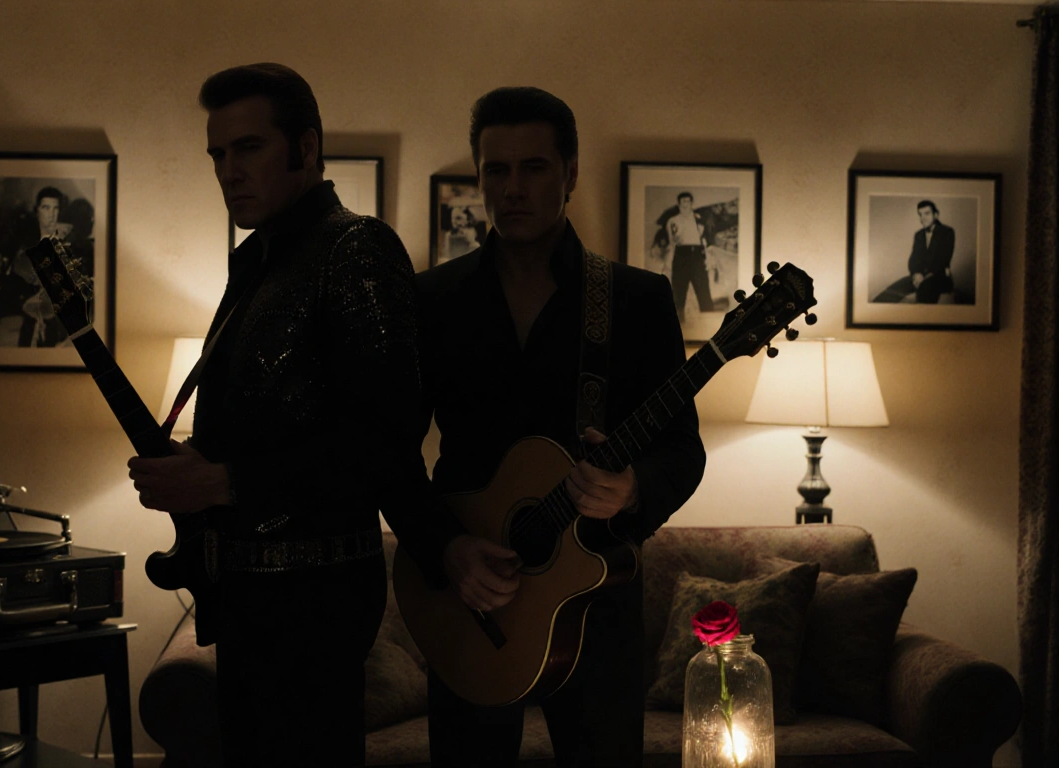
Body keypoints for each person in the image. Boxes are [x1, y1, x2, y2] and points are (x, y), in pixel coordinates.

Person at [123, 63, 426, 767]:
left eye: (249, 148)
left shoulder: (356, 247)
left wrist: (223, 483)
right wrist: (196, 469)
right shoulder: (254, 260)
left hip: (317, 599)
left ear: (308, 148)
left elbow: (385, 440)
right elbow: (261, 420)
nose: (229, 171)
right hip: (250, 594)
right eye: (218, 155)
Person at [407, 86, 707, 767]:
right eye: (496, 170)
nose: (512, 187)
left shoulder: (634, 300)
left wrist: (633, 488)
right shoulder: (432, 301)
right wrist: (447, 548)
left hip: (595, 601)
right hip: (468, 603)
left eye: (534, 168)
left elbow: (683, 449)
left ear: (570, 174)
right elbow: (391, 454)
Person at [0, 185, 71, 347]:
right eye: (46, 208)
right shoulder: (25, 245)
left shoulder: (66, 245)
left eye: (55, 209)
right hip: (28, 311)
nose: (51, 214)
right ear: (37, 211)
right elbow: (13, 281)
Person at [872, 199, 956, 304]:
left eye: (927, 214)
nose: (923, 218)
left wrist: (924, 277)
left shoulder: (947, 232)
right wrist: (916, 274)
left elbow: (943, 259)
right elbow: (913, 258)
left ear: (936, 215)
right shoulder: (919, 235)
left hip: (939, 277)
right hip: (919, 276)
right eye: (920, 214)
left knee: (925, 290)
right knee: (891, 291)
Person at [665, 191, 714, 320]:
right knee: (678, 291)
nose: (686, 204)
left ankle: (709, 323)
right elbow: (672, 242)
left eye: (688, 201)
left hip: (697, 255)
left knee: (703, 290)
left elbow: (704, 240)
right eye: (683, 201)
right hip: (681, 255)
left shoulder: (698, 219)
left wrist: (708, 258)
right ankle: (676, 324)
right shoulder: (673, 221)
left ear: (691, 203)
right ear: (679, 203)